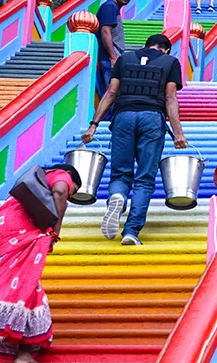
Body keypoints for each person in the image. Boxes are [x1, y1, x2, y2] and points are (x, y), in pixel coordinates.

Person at [0, 163, 82, 363]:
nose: (69, 197)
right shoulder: (61, 175)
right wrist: (55, 231)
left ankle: (24, 352)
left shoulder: (34, 183)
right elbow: (61, 190)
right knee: (10, 287)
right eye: (74, 191)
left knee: (28, 285)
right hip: (17, 231)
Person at [81, 34, 189, 246]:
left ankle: (117, 197)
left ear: (145, 45)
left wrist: (93, 125)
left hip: (123, 116)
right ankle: (131, 231)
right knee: (145, 178)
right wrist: (178, 133)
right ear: (166, 49)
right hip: (152, 118)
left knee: (121, 172)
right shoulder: (171, 62)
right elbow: (170, 98)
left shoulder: (125, 59)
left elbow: (111, 93)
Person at [96, 0, 136, 96]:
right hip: (107, 59)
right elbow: (105, 32)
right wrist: (113, 57)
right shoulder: (110, 7)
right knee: (112, 94)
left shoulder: (113, 7)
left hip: (109, 58)